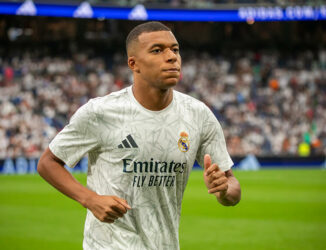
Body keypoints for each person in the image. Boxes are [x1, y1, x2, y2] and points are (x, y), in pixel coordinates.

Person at [37, 21, 241, 250]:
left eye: (175, 49)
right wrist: (90, 199)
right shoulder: (100, 112)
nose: (172, 57)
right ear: (134, 64)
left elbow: (232, 187)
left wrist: (223, 190)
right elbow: (48, 162)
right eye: (157, 50)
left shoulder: (198, 115)